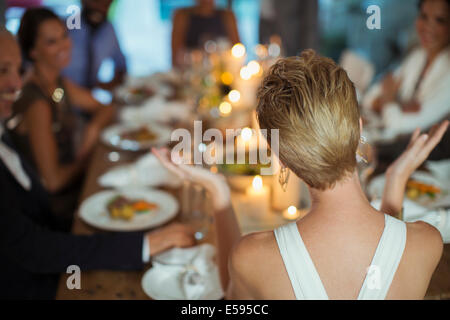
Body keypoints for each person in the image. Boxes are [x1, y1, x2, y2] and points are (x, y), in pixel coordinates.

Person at [154, 50, 449, 300]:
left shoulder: (254, 258)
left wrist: (219, 192)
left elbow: (232, 298)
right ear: (359, 128)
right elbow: (390, 254)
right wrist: (396, 181)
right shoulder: (427, 244)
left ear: (280, 157)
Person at [0, 28, 196, 299]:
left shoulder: (53, 91)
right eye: (2, 71)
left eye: (17, 70)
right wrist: (144, 244)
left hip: (57, 247)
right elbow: (33, 249)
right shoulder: (36, 104)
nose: (15, 84)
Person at [7, 8, 114, 222]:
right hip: (55, 212)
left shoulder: (57, 84)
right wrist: (88, 159)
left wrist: (92, 129)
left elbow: (106, 108)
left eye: (64, 36)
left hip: (74, 191)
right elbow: (53, 182)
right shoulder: (36, 102)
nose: (64, 45)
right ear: (33, 52)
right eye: (51, 42)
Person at [363, 0, 450, 137]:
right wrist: (399, 105)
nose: (427, 26)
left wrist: (390, 100)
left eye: (440, 20)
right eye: (423, 16)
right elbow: (370, 97)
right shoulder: (417, 56)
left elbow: (398, 124)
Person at [63, 0, 126, 90]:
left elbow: (121, 65)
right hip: (60, 95)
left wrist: (108, 86)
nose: (100, 7)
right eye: (96, 1)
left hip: (89, 97)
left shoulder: (109, 30)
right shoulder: (65, 28)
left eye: (106, 4)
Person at [171, 0, 240, 68]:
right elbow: (176, 56)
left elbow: (238, 50)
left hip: (221, 70)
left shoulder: (227, 16)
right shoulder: (182, 16)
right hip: (191, 72)